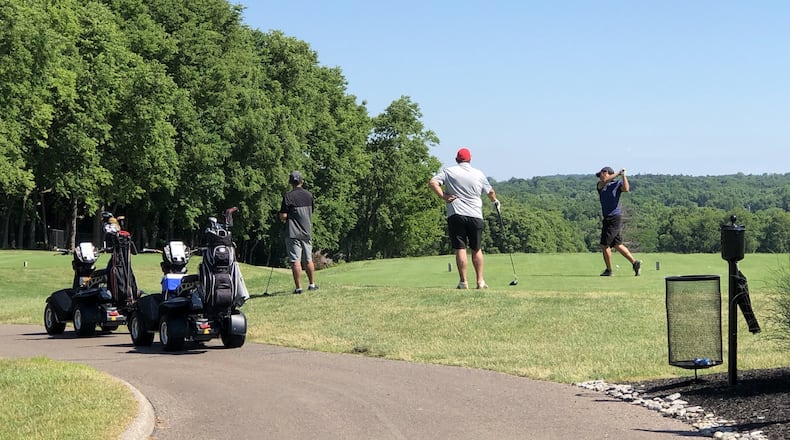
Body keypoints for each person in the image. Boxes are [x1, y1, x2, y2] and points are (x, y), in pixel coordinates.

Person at [429, 147, 499, 289]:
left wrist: (443, 196)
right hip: (475, 215)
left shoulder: (449, 171)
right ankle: (480, 281)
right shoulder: (478, 174)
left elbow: (433, 182)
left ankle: (463, 282)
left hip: (456, 214)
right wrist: (495, 201)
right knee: (476, 249)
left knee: (460, 248)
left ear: (457, 159)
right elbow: (490, 192)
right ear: (470, 159)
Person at [596, 166, 641, 276]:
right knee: (617, 244)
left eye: (601, 174)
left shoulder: (617, 184)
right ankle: (635, 263)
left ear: (606, 172)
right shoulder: (601, 185)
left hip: (613, 217)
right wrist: (618, 173)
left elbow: (626, 189)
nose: (600, 176)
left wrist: (623, 176)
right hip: (609, 217)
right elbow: (605, 181)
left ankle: (609, 270)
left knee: (605, 245)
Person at [279, 171, 318, 294]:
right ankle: (312, 284)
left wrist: (282, 217)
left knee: (295, 260)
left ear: (291, 182)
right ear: (301, 181)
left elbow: (283, 215)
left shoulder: (288, 196)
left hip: (292, 232)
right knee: (308, 259)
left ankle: (299, 288)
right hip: (306, 231)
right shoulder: (309, 195)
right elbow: (311, 211)